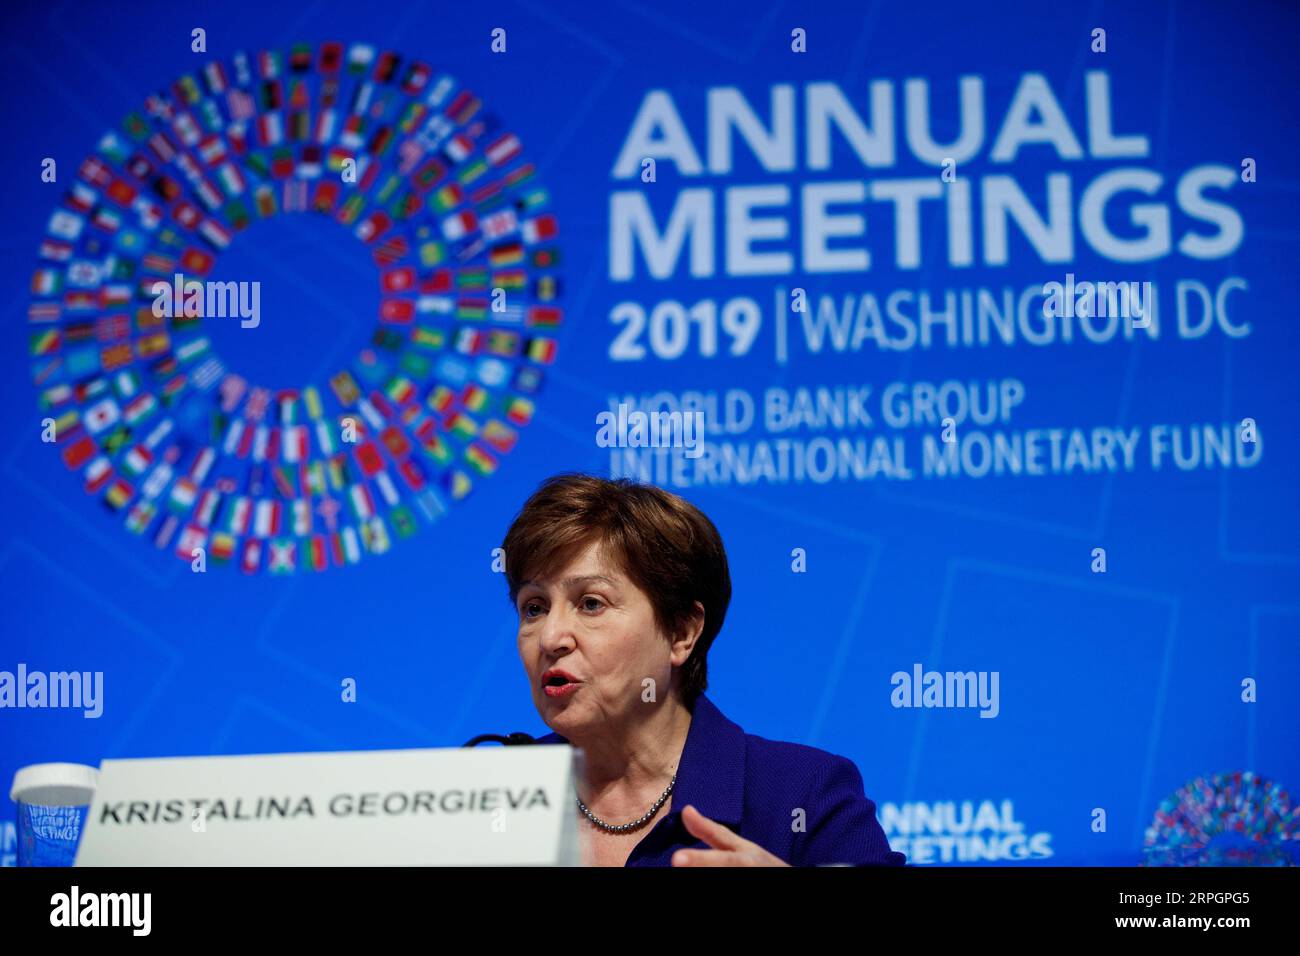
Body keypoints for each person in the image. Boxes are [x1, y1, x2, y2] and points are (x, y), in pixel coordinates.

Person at [501, 473, 906, 867]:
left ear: (682, 632)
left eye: (591, 603)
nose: (551, 637)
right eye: (534, 608)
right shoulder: (491, 797)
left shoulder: (803, 795)